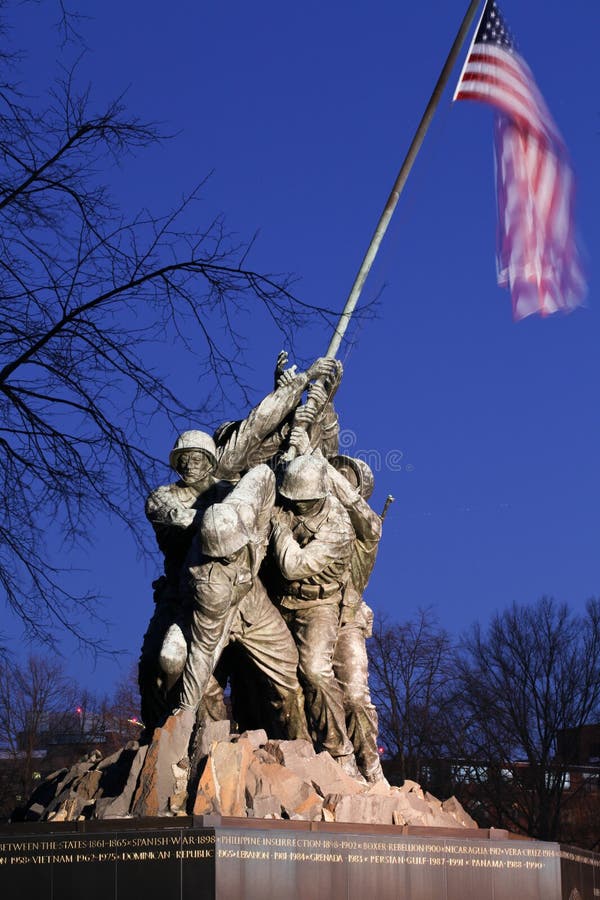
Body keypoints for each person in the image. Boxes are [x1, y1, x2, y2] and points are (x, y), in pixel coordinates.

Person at [139, 354, 338, 731]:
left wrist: (300, 386)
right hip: (189, 596)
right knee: (161, 664)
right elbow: (184, 520)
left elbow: (257, 428)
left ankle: (296, 749)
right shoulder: (163, 498)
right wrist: (232, 516)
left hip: (248, 594)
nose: (190, 464)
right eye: (183, 458)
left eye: (198, 457)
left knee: (285, 678)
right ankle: (167, 738)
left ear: (211, 459)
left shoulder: (230, 487)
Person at [175, 464, 310, 742]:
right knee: (200, 680)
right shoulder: (208, 581)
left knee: (290, 676)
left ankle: (303, 749)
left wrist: (269, 519)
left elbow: (264, 474)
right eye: (223, 556)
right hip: (218, 615)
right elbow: (202, 652)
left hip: (253, 601)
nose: (229, 557)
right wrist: (184, 713)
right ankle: (207, 749)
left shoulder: (243, 507)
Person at [270, 454, 360, 776]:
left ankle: (340, 752)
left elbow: (293, 566)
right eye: (291, 500)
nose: (296, 507)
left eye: (304, 502)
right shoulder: (284, 500)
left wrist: (278, 530)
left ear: (321, 495)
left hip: (317, 606)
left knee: (316, 672)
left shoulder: (337, 526)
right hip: (279, 602)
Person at [327, 455, 387, 783]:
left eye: (346, 477)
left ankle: (371, 766)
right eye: (334, 474)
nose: (337, 479)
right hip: (305, 616)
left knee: (354, 695)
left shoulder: (365, 527)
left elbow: (369, 526)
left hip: (345, 617)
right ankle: (337, 762)